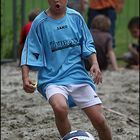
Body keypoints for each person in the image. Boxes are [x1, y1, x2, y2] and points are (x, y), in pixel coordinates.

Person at [21, 0, 112, 140]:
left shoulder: (76, 17)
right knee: (60, 108)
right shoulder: (39, 23)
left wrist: (94, 63)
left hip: (78, 76)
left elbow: (87, 43)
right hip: (52, 79)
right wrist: (25, 77)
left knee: (99, 120)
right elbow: (30, 50)